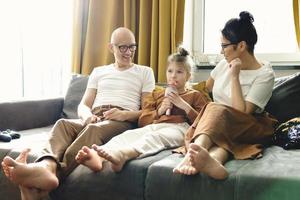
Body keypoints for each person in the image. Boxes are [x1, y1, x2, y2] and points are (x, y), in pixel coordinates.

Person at [1, 27, 155, 199]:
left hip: (121, 120)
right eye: (123, 47)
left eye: (132, 47)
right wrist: (88, 116)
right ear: (111, 47)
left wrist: (124, 115)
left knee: (93, 130)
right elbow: (84, 105)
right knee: (62, 125)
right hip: (95, 116)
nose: (129, 52)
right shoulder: (99, 71)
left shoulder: (144, 72)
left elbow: (148, 111)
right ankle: (45, 168)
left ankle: (47, 177)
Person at [173, 11, 278, 180]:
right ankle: (213, 161)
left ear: (241, 46)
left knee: (215, 109)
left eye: (224, 46)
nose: (221, 52)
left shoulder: (264, 74)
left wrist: (235, 76)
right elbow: (204, 88)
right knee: (218, 125)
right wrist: (178, 86)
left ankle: (191, 155)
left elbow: (242, 112)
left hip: (249, 124)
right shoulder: (223, 64)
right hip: (221, 127)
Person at [75, 47, 210, 173]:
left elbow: (203, 123)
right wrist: (160, 110)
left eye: (179, 72)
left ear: (188, 76)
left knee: (154, 138)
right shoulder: (158, 94)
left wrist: (184, 105)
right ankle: (98, 156)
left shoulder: (195, 95)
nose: (173, 76)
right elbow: (143, 121)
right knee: (130, 135)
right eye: (170, 71)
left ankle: (124, 155)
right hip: (157, 125)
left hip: (181, 128)